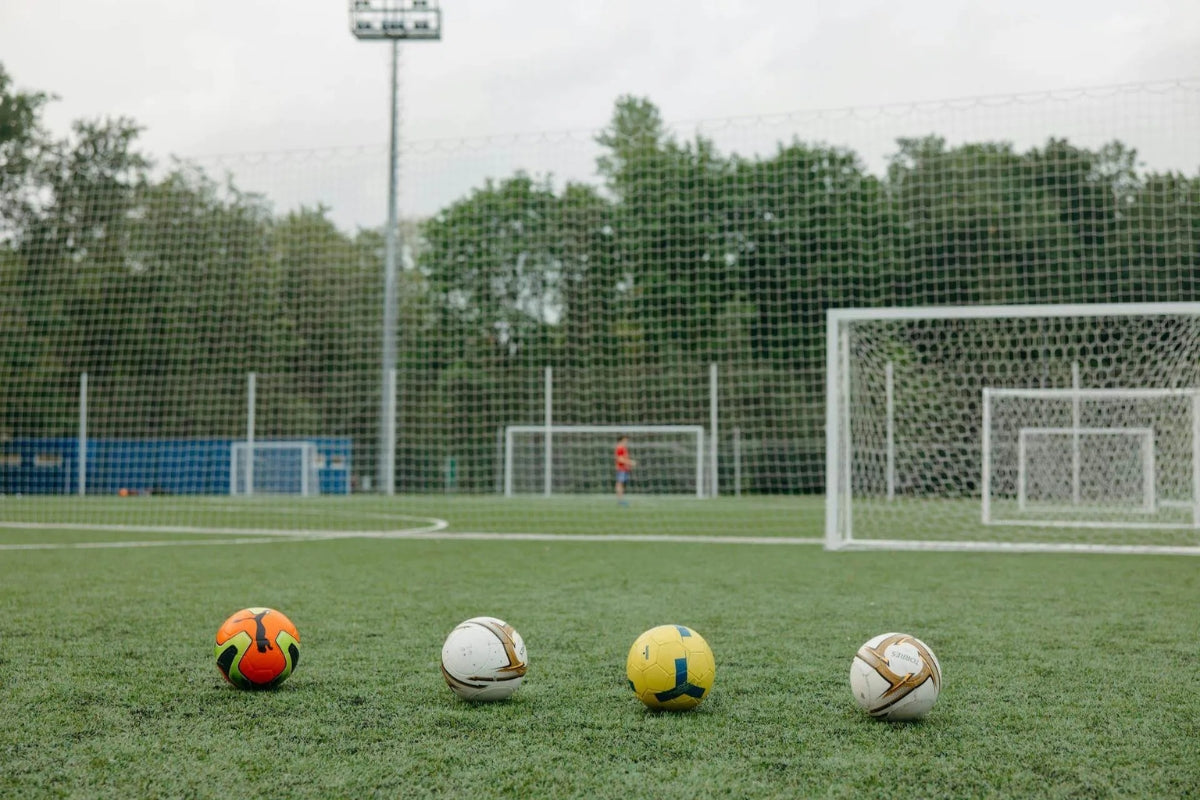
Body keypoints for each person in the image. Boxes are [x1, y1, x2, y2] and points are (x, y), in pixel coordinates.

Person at [615, 435, 636, 505]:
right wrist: (630, 462)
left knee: (621, 484)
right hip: (621, 469)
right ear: (622, 440)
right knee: (620, 484)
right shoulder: (620, 447)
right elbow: (620, 459)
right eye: (625, 440)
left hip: (624, 469)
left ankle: (621, 500)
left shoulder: (622, 447)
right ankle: (620, 501)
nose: (626, 442)